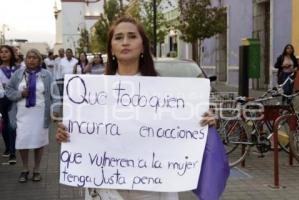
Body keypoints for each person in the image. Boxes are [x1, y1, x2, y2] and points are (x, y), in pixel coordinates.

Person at [56, 16, 228, 200]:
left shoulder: (167, 93)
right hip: (106, 187)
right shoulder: (90, 94)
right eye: (119, 37)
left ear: (143, 46)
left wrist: (204, 122)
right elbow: (85, 135)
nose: (125, 42)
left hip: (153, 189)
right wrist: (67, 134)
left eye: (132, 36)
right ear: (111, 48)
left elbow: (183, 131)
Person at [6, 49, 60, 183]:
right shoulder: (18, 74)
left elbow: (55, 93)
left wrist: (55, 110)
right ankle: (25, 169)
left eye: (35, 58)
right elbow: (9, 90)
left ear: (39, 60)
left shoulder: (46, 75)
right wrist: (20, 94)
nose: (31, 60)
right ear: (25, 60)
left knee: (38, 142)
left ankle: (36, 170)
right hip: (22, 114)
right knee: (22, 141)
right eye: (29, 57)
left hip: (40, 113)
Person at [0, 45, 18, 164]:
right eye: (1, 52)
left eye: (6, 52)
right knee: (5, 124)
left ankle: (12, 152)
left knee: (12, 125)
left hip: (15, 99)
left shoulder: (18, 68)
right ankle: (8, 147)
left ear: (11, 53)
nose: (3, 54)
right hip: (2, 99)